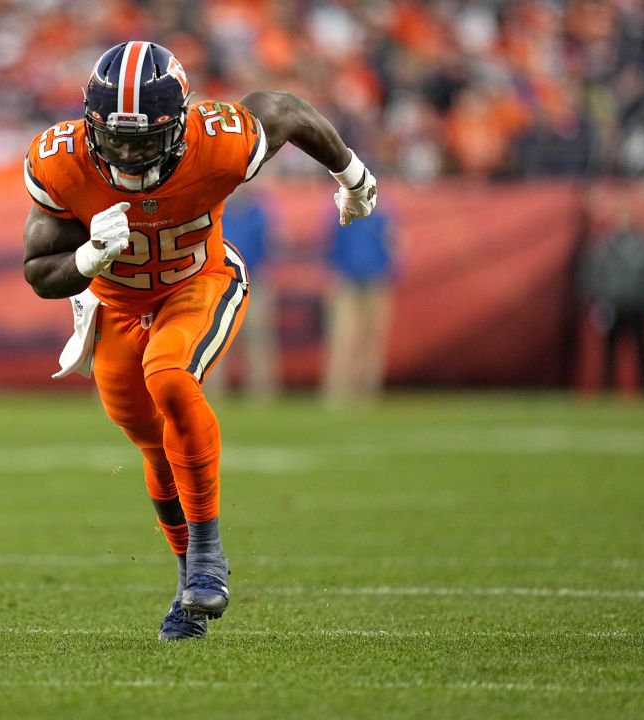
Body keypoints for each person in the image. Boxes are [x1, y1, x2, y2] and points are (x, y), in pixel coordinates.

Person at [21, 42, 378, 641]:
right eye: (117, 139)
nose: (130, 154)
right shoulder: (62, 161)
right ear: (92, 126)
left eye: (145, 140)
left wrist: (353, 174)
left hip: (200, 281)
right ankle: (188, 589)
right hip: (115, 305)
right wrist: (86, 256)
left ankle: (209, 553)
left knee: (170, 375)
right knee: (150, 442)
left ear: (179, 128)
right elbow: (38, 272)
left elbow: (285, 110)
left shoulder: (220, 141)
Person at [201, 180, 282, 403]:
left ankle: (262, 391)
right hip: (221, 284)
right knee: (214, 339)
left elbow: (272, 248)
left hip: (255, 282)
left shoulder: (259, 211)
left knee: (258, 339)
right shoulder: (219, 210)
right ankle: (212, 391)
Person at [581, 199, 644, 392]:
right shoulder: (605, 244)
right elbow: (593, 273)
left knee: (643, 351)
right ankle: (607, 390)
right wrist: (598, 300)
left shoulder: (643, 244)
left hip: (638, 305)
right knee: (609, 353)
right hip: (613, 305)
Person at [322, 202, 399, 408]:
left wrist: (388, 274)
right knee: (344, 337)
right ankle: (339, 390)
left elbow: (393, 248)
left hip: (375, 282)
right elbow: (331, 247)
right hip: (348, 283)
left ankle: (367, 390)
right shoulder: (341, 213)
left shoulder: (383, 215)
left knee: (372, 338)